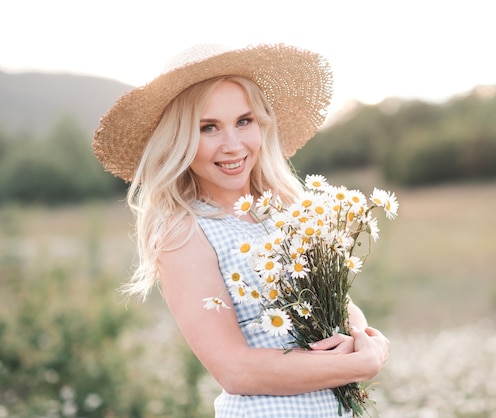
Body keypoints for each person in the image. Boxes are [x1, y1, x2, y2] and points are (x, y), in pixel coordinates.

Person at [93, 43, 389, 417]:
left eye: (244, 121)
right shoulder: (184, 232)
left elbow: (340, 306)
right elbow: (235, 369)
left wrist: (363, 338)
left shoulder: (286, 213)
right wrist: (358, 365)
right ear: (179, 140)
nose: (232, 146)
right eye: (208, 127)